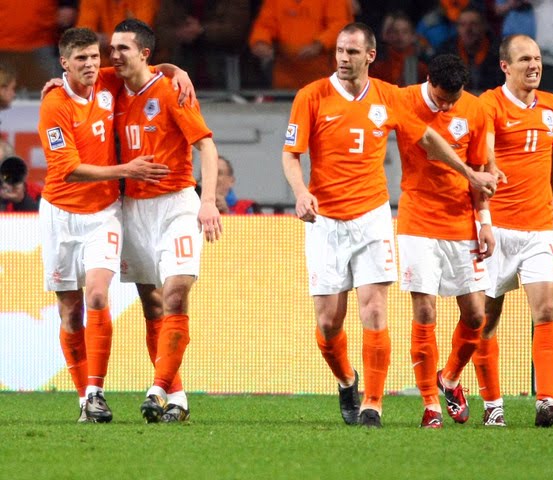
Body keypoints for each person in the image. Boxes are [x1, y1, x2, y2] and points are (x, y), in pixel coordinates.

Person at [282, 22, 497, 428]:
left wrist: (470, 172)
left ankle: (373, 404)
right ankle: (347, 380)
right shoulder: (311, 96)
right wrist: (300, 192)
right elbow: (291, 155)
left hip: (372, 216)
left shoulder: (386, 96)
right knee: (328, 324)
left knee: (376, 310)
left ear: (370, 56)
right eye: (340, 51)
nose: (343, 58)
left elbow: (429, 139)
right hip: (325, 220)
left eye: (351, 52)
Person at [38, 27, 189, 423]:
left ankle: (95, 391)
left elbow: (147, 65)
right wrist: (127, 169)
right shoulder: (55, 103)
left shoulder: (107, 80)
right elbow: (67, 170)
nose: (91, 65)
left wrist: (177, 71)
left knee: (99, 297)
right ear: (64, 63)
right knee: (70, 312)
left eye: (94, 57)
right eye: (81, 59)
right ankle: (84, 396)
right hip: (60, 214)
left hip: (105, 212)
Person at [109, 18, 223, 423]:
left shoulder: (172, 89)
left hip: (176, 205)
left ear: (144, 53)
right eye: (112, 48)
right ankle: (177, 398)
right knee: (151, 305)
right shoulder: (110, 88)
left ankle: (156, 389)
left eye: (123, 48)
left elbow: (206, 147)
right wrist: (57, 83)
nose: (114, 55)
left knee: (175, 293)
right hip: (132, 210)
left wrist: (206, 201)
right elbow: (75, 71)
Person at [475, 34, 553, 427]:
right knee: (485, 319)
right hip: (496, 228)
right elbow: (486, 151)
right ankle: (492, 403)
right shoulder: (488, 104)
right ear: (505, 66)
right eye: (525, 59)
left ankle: (546, 401)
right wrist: (492, 169)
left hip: (537, 227)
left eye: (538, 58)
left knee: (546, 310)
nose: (534, 65)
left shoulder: (552, 106)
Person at [395, 54, 494, 429]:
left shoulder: (475, 109)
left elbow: (481, 173)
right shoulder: (406, 101)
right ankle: (430, 406)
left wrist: (484, 221)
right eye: (442, 98)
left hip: (461, 223)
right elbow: (433, 146)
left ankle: (449, 378)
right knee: (425, 312)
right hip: (418, 219)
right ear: (428, 80)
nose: (449, 106)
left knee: (475, 315)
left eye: (455, 98)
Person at [249, 0, 354, 89]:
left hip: (325, 77)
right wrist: (260, 41)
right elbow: (264, 24)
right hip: (285, 78)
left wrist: (319, 45)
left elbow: (340, 25)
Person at [436, 8, 503, 91]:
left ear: (484, 26)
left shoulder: (500, 52)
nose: (468, 29)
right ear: (457, 28)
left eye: (474, 24)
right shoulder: (446, 52)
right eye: (462, 25)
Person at [370, 11, 429, 86]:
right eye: (395, 32)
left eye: (405, 32)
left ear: (412, 35)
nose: (400, 36)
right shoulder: (378, 63)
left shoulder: (423, 63)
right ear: (387, 35)